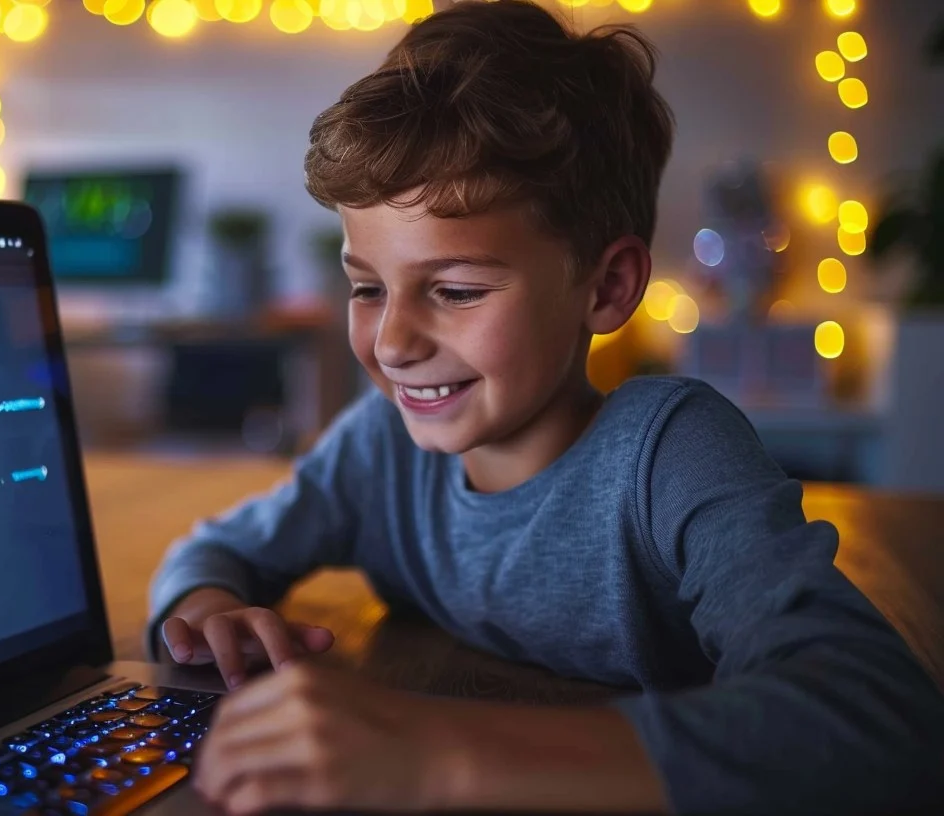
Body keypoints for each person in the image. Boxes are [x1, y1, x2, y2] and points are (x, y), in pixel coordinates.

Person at [146, 1, 944, 813]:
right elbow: (212, 551)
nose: (391, 343)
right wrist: (208, 610)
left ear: (608, 286)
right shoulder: (377, 447)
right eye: (367, 289)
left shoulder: (668, 455)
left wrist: (435, 753)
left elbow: (880, 718)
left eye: (457, 290)